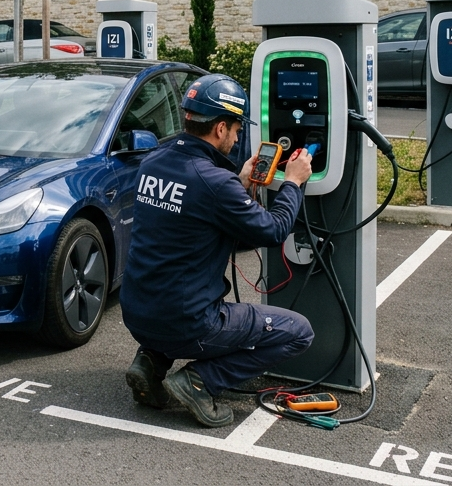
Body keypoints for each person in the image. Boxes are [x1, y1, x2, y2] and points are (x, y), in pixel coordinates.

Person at [119, 74, 315, 427]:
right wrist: (294, 183)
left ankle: (150, 362)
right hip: (189, 323)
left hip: (137, 313)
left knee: (170, 299)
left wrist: (238, 184)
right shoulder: (213, 182)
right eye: (237, 128)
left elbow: (189, 212)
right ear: (220, 128)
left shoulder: (154, 161)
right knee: (299, 331)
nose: (239, 136)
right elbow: (272, 230)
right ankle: (199, 382)